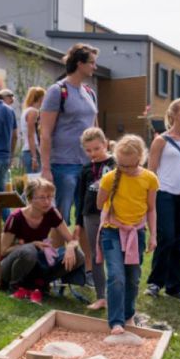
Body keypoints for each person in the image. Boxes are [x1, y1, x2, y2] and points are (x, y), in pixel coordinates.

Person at [96, 135, 158, 334]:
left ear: (141, 158)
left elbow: (151, 209)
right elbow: (99, 204)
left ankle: (128, 315)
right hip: (112, 232)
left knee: (132, 277)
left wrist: (153, 236)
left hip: (136, 233)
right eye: (121, 165)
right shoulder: (109, 178)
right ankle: (115, 321)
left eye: (130, 166)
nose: (125, 169)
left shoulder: (149, 178)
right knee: (115, 275)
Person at [145, 97, 180, 304]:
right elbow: (151, 171)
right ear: (174, 114)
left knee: (178, 241)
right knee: (166, 237)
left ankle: (175, 287)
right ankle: (155, 283)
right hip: (164, 194)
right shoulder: (161, 140)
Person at [0, 177, 85, 301]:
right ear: (30, 199)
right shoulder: (15, 218)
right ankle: (15, 286)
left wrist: (70, 246)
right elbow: (2, 251)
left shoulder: (52, 213)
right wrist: (31, 244)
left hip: (37, 261)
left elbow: (71, 239)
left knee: (78, 255)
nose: (47, 202)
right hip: (9, 267)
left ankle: (39, 284)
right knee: (29, 251)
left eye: (50, 197)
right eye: (42, 197)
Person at [40, 43, 99, 224]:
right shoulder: (57, 91)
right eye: (91, 63)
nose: (95, 67)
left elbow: (95, 129)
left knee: (85, 216)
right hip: (63, 164)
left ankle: (83, 253)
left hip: (88, 165)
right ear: (79, 64)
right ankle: (57, 253)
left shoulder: (90, 92)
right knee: (61, 216)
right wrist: (46, 168)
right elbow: (45, 133)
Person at [74, 127, 115, 310]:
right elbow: (80, 197)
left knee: (114, 254)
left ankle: (117, 294)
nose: (93, 153)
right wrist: (78, 223)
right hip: (90, 215)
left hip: (113, 215)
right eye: (88, 150)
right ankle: (101, 296)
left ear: (105, 143)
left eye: (97, 149)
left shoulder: (116, 164)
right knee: (96, 254)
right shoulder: (85, 169)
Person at [19, 86, 45, 174]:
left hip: (28, 150)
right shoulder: (33, 112)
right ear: (41, 98)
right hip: (32, 151)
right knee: (35, 181)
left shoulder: (26, 111)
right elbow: (31, 135)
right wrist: (34, 157)